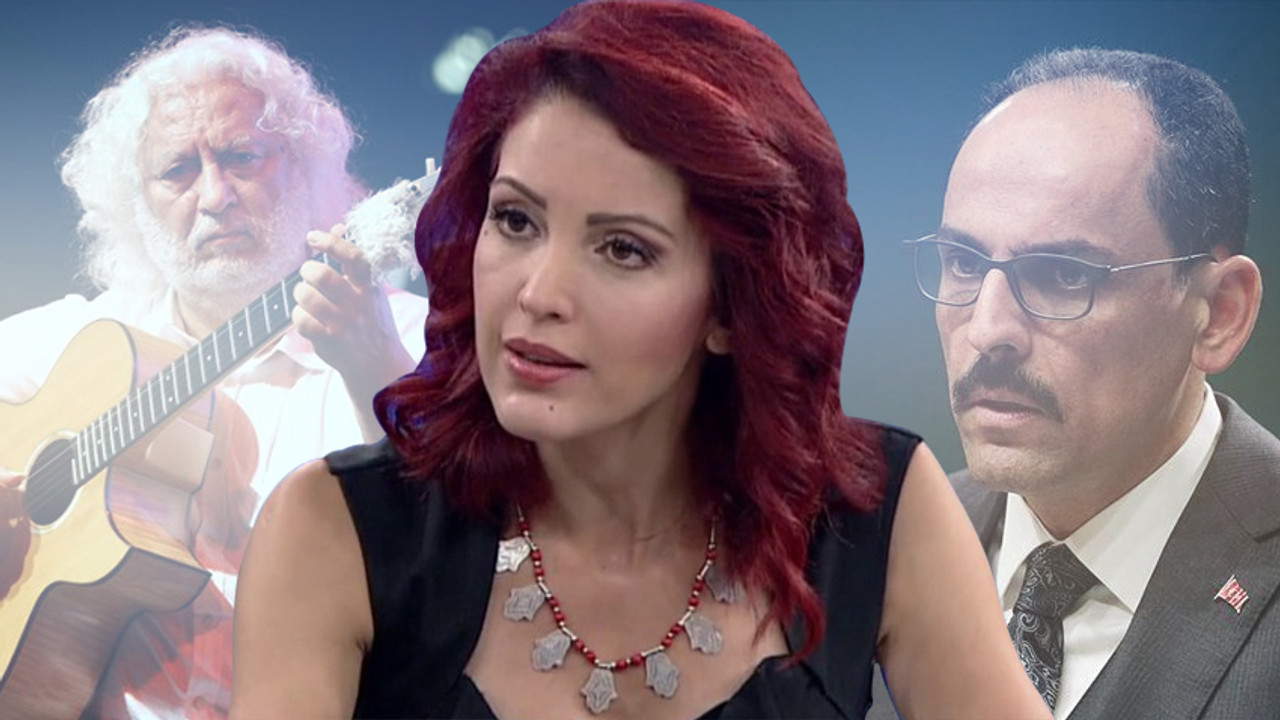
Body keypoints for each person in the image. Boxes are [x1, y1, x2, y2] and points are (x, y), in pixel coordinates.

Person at [230, 2, 1052, 719]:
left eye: (623, 249)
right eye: (515, 221)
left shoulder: (876, 510)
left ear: (730, 306)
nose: (539, 294)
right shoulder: (331, 529)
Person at [0, 26, 430, 720]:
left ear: (302, 168)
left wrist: (372, 366)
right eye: (178, 170)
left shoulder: (406, 338)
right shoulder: (85, 343)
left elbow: (461, 548)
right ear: (136, 202)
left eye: (241, 156)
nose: (214, 194)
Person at [902, 48, 1277, 719]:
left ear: (1219, 313)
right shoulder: (873, 557)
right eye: (963, 262)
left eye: (1064, 275)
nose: (988, 330)